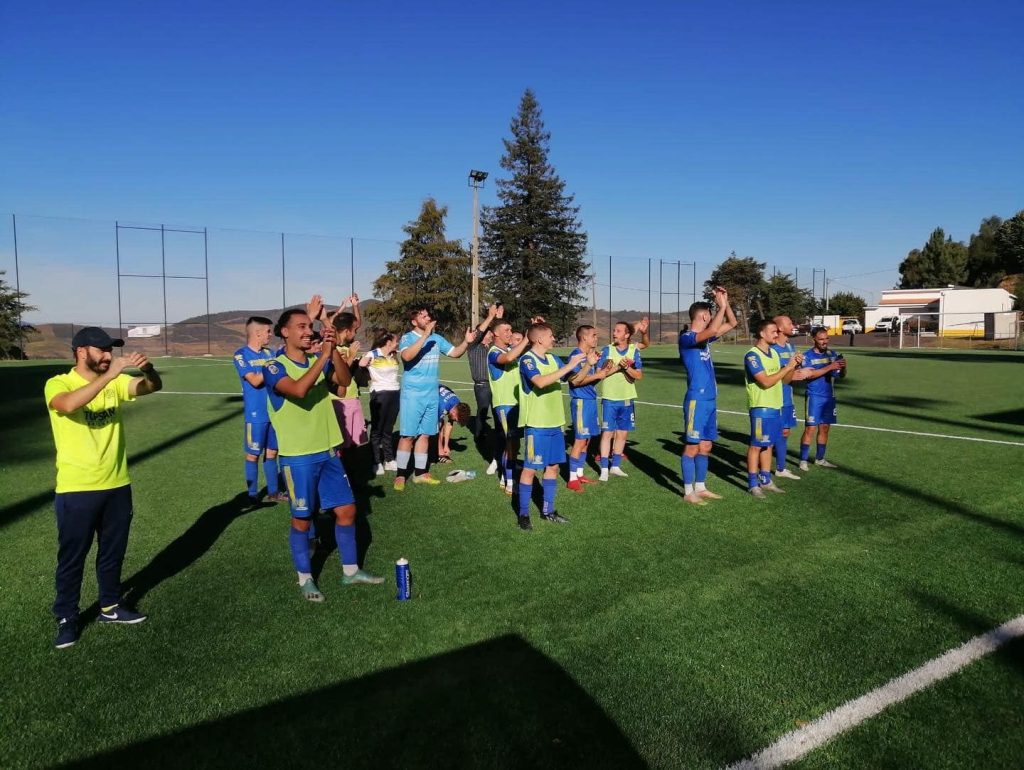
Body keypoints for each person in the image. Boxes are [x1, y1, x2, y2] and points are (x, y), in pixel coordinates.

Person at [45, 327, 163, 649]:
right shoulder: (59, 383)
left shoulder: (114, 381)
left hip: (117, 484)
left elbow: (152, 387)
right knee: (73, 558)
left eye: (111, 350)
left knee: (112, 553)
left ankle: (110, 606)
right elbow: (68, 405)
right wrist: (109, 376)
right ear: (82, 351)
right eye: (102, 350)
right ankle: (67, 617)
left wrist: (148, 371)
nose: (109, 356)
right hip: (77, 489)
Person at [264, 305, 383, 601]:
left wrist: (333, 355)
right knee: (302, 519)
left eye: (309, 326)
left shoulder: (320, 359)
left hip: (328, 452)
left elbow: (343, 382)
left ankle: (351, 571)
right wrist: (322, 356)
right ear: (285, 332)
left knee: (347, 511)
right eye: (301, 327)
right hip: (298, 457)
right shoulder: (274, 367)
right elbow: (299, 390)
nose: (308, 331)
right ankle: (305, 578)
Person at [394, 307, 476, 490]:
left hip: (432, 394)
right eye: (423, 316)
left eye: (428, 315)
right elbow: (407, 357)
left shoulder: (437, 339)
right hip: (413, 394)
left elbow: (455, 353)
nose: (427, 318)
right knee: (408, 435)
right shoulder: (408, 338)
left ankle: (420, 473)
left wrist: (466, 342)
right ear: (414, 322)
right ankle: (400, 474)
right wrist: (425, 337)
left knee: (425, 434)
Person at [516, 323, 587, 531]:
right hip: (536, 425)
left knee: (553, 467)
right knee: (530, 470)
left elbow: (574, 380)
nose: (554, 339)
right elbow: (540, 382)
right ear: (539, 339)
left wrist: (587, 365)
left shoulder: (553, 359)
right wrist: (568, 365)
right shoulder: (527, 360)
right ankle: (523, 514)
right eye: (551, 336)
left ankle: (548, 511)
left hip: (555, 423)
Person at [679, 289, 738, 505]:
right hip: (696, 399)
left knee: (706, 446)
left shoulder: (704, 341)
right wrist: (720, 306)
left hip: (710, 399)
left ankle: (701, 487)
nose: (712, 318)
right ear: (704, 316)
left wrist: (726, 303)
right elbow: (713, 328)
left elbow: (732, 323)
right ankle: (688, 492)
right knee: (692, 447)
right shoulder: (687, 338)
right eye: (710, 314)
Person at [743, 319, 804, 498]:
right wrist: (788, 367)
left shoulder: (775, 354)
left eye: (777, 332)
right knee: (756, 446)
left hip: (776, 406)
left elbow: (784, 381)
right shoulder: (752, 355)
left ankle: (766, 479)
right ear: (762, 334)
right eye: (773, 331)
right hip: (761, 407)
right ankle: (753, 484)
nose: (777, 334)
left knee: (768, 445)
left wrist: (793, 367)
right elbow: (766, 381)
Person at [233, 316, 288, 503]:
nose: (270, 335)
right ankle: (252, 494)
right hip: (256, 414)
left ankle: (273, 492)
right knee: (253, 454)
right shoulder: (241, 355)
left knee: (272, 453)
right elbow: (255, 381)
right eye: (268, 331)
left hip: (274, 411)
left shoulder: (269, 353)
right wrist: (270, 367)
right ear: (257, 333)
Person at [565, 325, 611, 491]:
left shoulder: (588, 356)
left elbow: (589, 380)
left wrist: (603, 372)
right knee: (579, 441)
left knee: (587, 439)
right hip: (581, 402)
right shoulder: (575, 356)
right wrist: (598, 375)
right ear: (584, 338)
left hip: (590, 401)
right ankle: (571, 479)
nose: (596, 338)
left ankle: (579, 473)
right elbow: (575, 380)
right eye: (593, 335)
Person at [596, 322, 644, 482]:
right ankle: (604, 469)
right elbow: (600, 373)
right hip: (609, 398)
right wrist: (617, 367)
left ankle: (615, 466)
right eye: (614, 330)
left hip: (626, 398)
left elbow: (638, 376)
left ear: (627, 335)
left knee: (623, 434)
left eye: (618, 331)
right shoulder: (607, 350)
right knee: (607, 434)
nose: (614, 333)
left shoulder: (633, 351)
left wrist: (627, 368)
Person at [488, 319, 531, 494]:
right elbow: (509, 358)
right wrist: (527, 339)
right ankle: (509, 482)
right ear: (495, 333)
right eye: (506, 330)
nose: (510, 333)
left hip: (517, 404)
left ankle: (507, 476)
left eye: (511, 329)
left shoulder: (508, 350)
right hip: (504, 405)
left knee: (514, 444)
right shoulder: (493, 352)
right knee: (511, 443)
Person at [798, 328, 847, 471]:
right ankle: (803, 460)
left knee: (825, 428)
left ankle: (820, 459)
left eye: (826, 339)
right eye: (821, 339)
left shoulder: (833, 354)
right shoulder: (807, 356)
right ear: (814, 339)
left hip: (829, 397)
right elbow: (810, 375)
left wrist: (843, 368)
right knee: (810, 429)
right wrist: (830, 366)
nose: (824, 342)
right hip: (814, 397)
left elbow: (840, 376)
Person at [359, 330, 401, 476]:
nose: (398, 343)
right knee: (377, 430)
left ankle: (389, 460)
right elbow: (362, 363)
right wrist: (366, 361)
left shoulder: (393, 355)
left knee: (388, 429)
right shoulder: (374, 354)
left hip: (395, 393)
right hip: (379, 394)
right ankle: (376, 462)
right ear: (388, 342)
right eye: (396, 341)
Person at [771, 314, 804, 481]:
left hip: (788, 396)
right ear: (780, 328)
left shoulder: (791, 347)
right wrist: (792, 372)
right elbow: (779, 376)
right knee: (772, 435)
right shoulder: (772, 350)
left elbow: (791, 372)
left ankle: (780, 468)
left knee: (785, 432)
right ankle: (765, 471)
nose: (793, 325)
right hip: (775, 398)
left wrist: (800, 366)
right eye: (790, 323)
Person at [467, 304, 501, 452]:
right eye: (487, 332)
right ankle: (479, 437)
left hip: (495, 384)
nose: (490, 334)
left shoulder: (493, 348)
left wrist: (498, 320)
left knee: (497, 411)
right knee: (483, 411)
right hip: (482, 385)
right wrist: (490, 317)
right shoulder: (474, 346)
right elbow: (479, 333)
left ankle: (499, 434)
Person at [436, 384, 471, 462]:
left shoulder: (457, 403)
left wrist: (446, 446)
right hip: (418, 396)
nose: (454, 420)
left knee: (441, 423)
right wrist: (441, 451)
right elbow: (436, 429)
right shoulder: (442, 406)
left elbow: (449, 424)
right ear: (455, 412)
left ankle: (440, 448)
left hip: (438, 391)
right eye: (456, 419)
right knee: (435, 426)